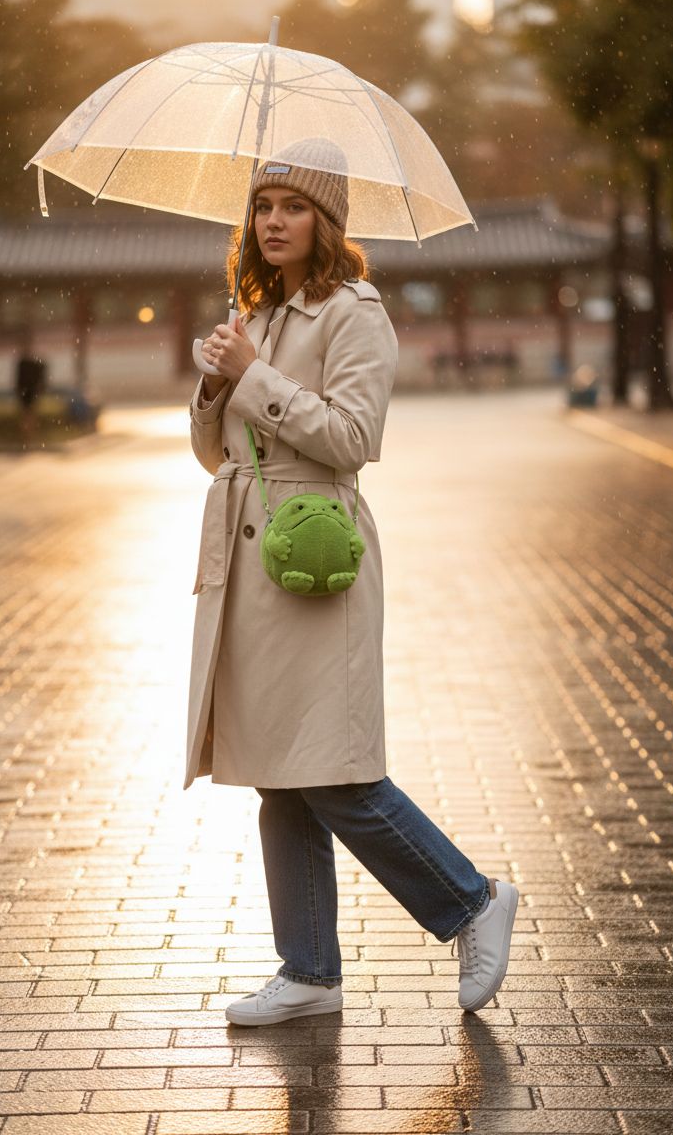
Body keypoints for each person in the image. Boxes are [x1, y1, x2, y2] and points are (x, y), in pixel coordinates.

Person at [186, 137, 518, 1027]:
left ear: (327, 221)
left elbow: (351, 438)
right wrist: (215, 385)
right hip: (251, 563)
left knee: (333, 771)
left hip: (316, 555)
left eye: (292, 207)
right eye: (263, 207)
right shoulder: (261, 316)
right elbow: (214, 453)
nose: (273, 221)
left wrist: (251, 377)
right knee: (279, 774)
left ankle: (471, 901)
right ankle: (309, 971)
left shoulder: (354, 312)